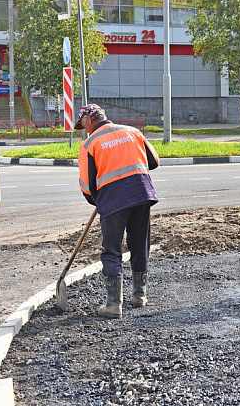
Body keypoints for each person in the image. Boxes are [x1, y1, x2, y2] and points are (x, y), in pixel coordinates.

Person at [76, 104, 159, 318]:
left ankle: (113, 305)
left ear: (88, 121)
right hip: (141, 195)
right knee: (140, 244)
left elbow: (86, 186)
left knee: (112, 250)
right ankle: (139, 296)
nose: (84, 130)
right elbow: (154, 162)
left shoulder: (90, 144)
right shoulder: (133, 132)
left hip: (113, 201)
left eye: (83, 126)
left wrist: (100, 201)